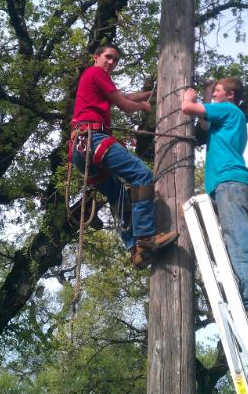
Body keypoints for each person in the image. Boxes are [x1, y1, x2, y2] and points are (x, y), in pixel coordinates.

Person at [182, 77, 248, 331]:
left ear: (230, 95)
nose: (213, 95)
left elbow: (188, 109)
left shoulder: (227, 109)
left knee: (239, 247)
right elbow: (204, 124)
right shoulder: (232, 118)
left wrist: (189, 95)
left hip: (227, 184)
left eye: (217, 91)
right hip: (240, 185)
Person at [70, 43, 178, 268]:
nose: (111, 62)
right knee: (142, 175)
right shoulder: (96, 72)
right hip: (93, 139)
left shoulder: (95, 79)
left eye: (115, 60)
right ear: (96, 57)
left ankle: (134, 250)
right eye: (108, 57)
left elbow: (125, 96)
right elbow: (126, 105)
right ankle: (146, 239)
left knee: (118, 195)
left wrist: (153, 94)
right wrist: (144, 108)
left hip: (79, 149)